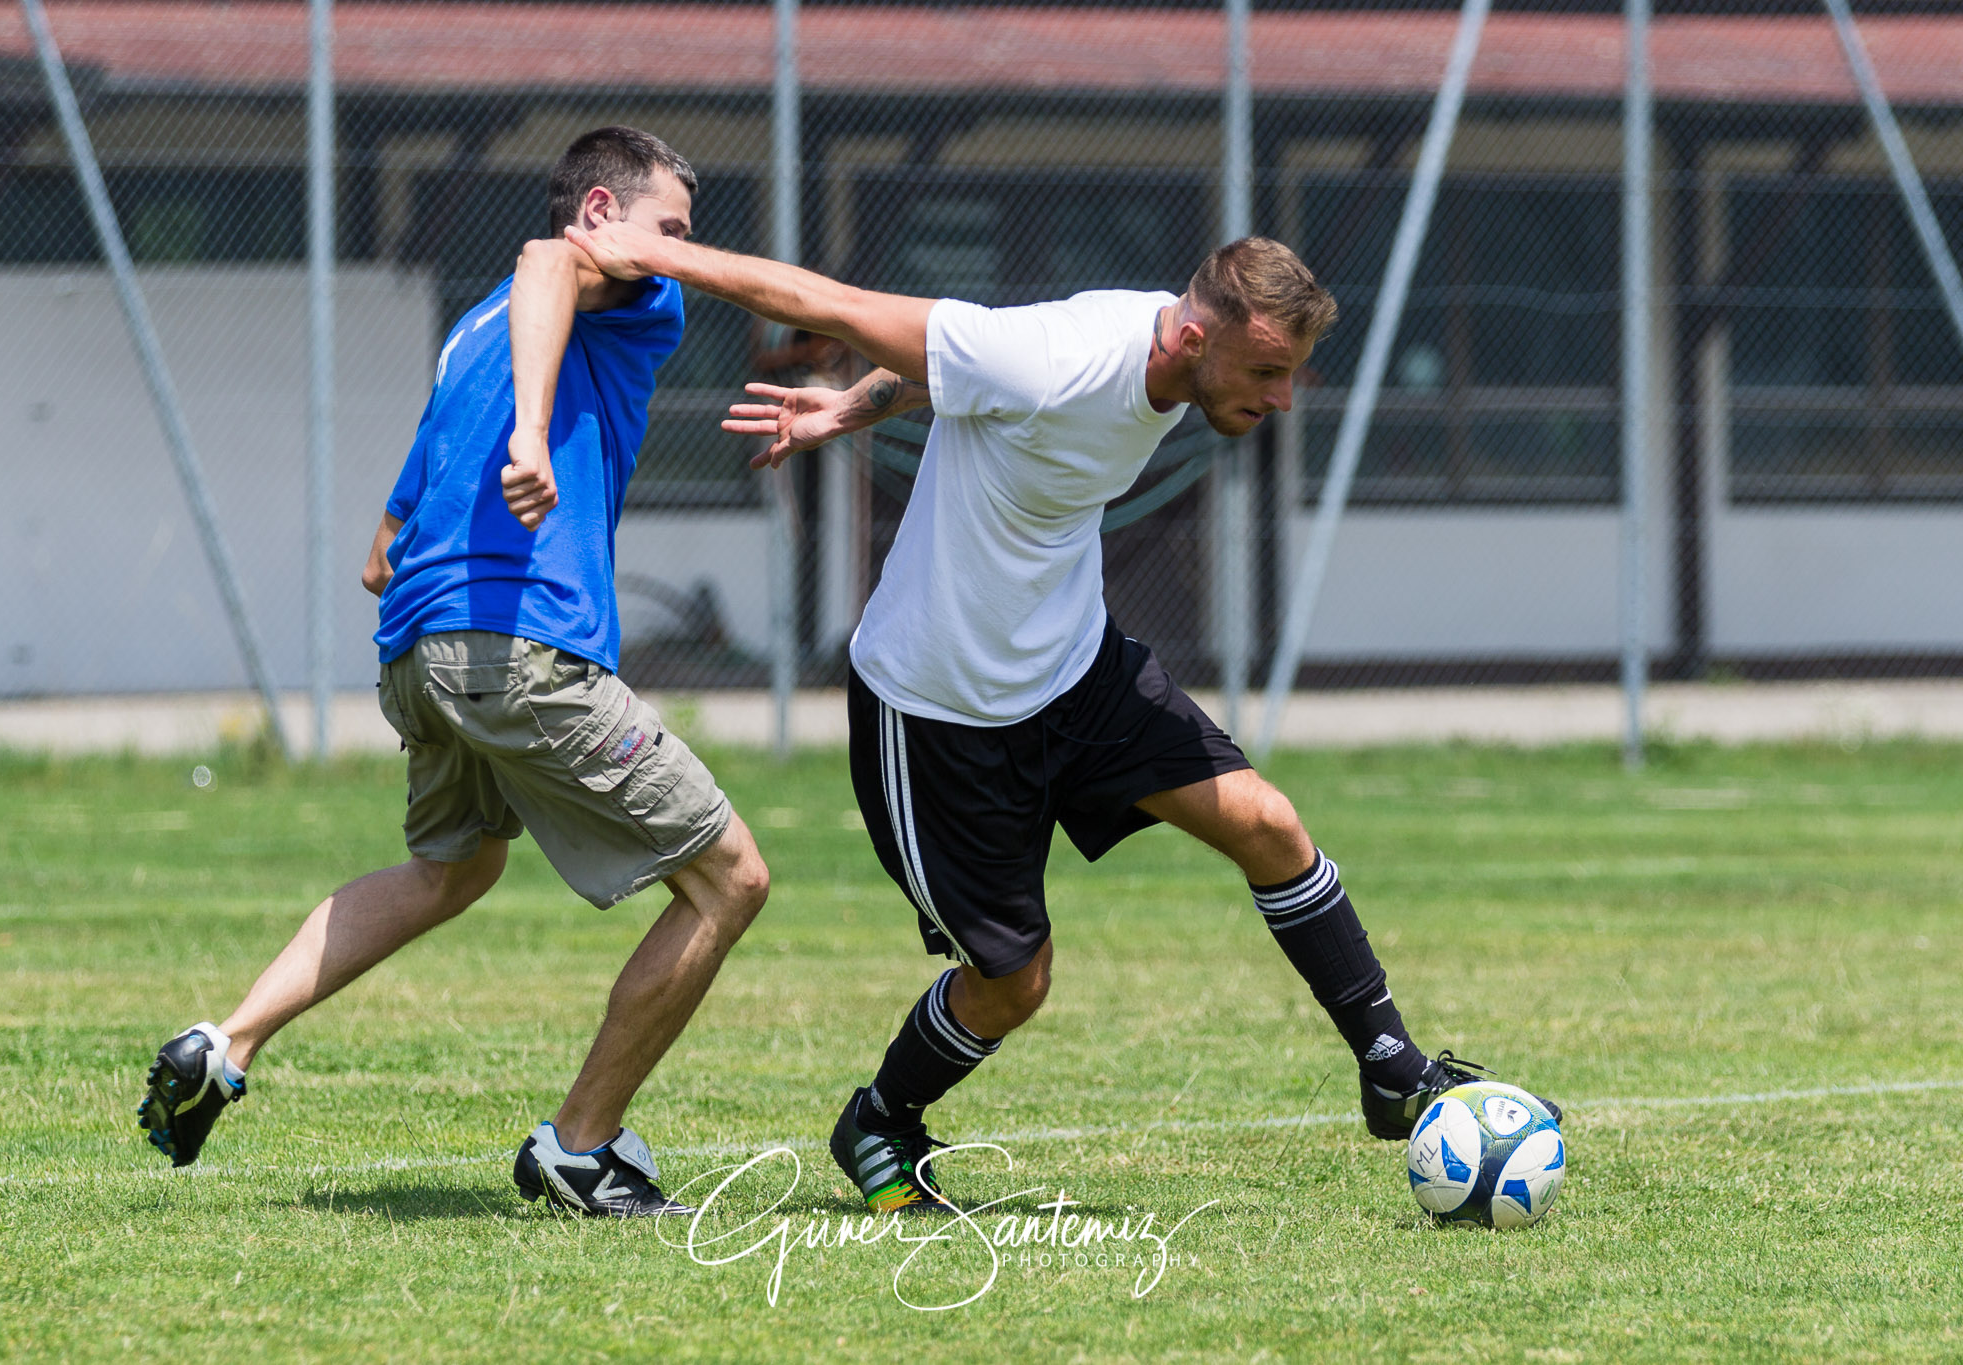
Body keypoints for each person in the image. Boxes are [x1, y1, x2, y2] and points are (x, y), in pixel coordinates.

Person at [540, 218, 1559, 1215]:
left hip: (1074, 668)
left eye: (1289, 374)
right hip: (939, 708)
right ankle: (880, 1120)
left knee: (1268, 826)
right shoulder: (1059, 359)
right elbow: (834, 306)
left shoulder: (1152, 354)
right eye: (1265, 374)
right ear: (1194, 338)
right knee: (1014, 983)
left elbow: (949, 374)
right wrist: (661, 254)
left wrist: (853, 409)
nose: (1283, 397)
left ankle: (1390, 1065)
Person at [135, 128, 769, 1218]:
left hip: (422, 658)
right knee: (729, 880)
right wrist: (532, 435)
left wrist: (402, 532)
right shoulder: (590, 285)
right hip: (524, 649)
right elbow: (545, 263)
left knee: (454, 868)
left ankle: (225, 1042)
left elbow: (399, 513)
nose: (682, 258)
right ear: (597, 214)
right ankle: (580, 1146)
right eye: (669, 230)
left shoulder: (475, 330)